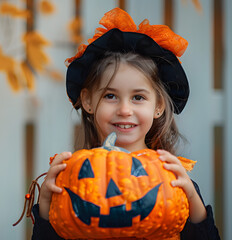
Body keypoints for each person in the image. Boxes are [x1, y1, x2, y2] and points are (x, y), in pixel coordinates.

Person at [31, 8, 220, 240]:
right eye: (110, 96)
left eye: (138, 97)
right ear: (88, 101)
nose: (124, 110)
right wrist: (46, 208)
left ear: (158, 105)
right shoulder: (74, 177)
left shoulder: (172, 177)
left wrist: (191, 198)